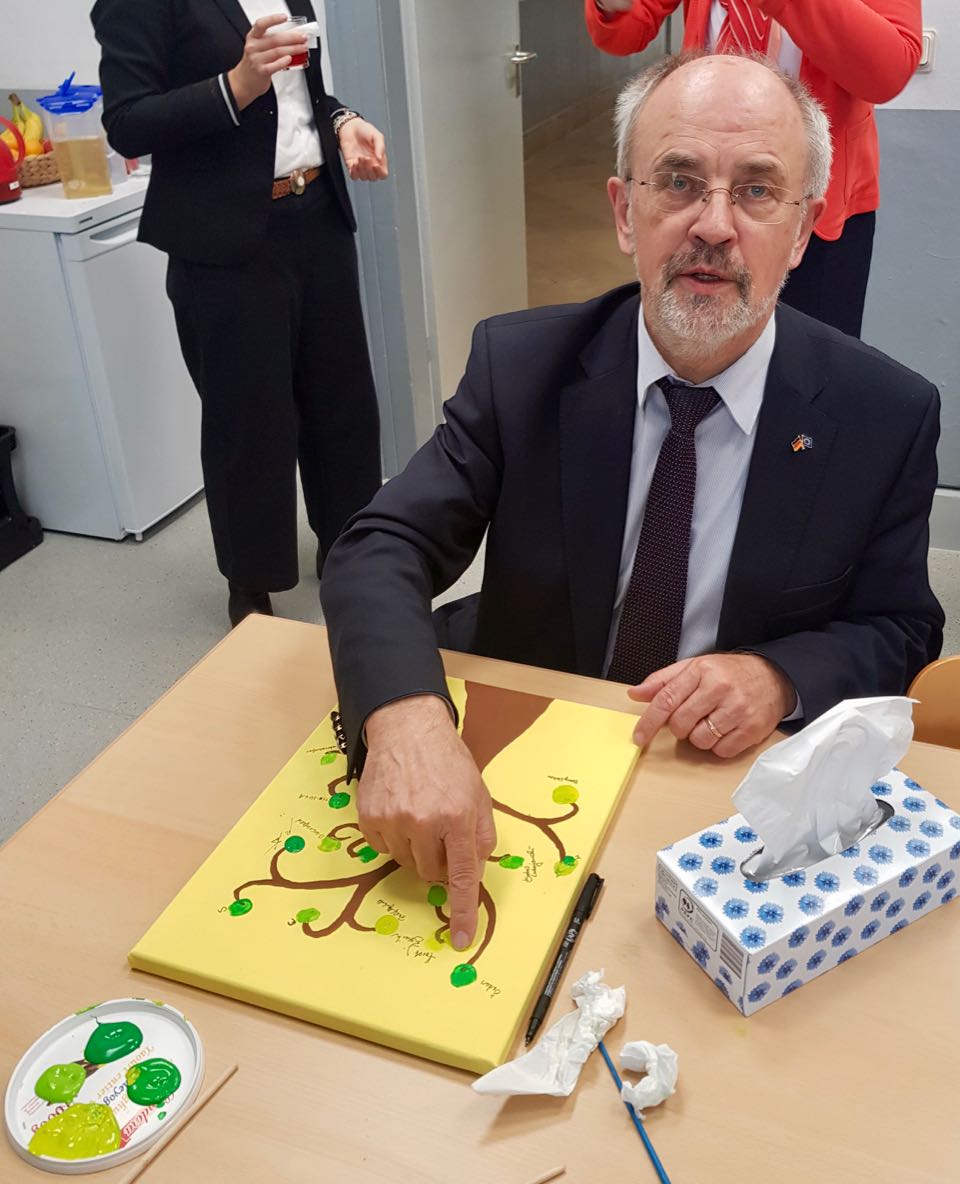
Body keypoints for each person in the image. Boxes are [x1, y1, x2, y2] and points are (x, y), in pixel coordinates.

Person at [320, 52, 943, 954]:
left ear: (805, 231)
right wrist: (407, 717)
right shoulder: (523, 365)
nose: (715, 227)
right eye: (679, 183)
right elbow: (381, 544)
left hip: (715, 800)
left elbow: (901, 628)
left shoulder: (883, 413)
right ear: (625, 211)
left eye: (759, 192)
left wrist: (780, 676)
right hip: (520, 769)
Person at [91, 2, 386, 627]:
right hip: (223, 243)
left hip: (319, 217)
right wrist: (236, 85)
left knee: (343, 406)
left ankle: (353, 552)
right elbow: (127, 122)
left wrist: (342, 121)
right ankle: (251, 581)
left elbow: (302, 94)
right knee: (249, 422)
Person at [584, 0, 922, 338]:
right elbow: (626, 31)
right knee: (696, 339)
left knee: (810, 361)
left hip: (817, 202)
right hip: (701, 180)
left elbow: (886, 71)